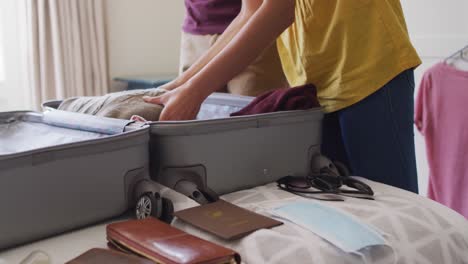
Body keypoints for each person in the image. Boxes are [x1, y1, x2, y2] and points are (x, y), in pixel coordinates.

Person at [145, 0, 421, 193]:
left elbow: (279, 10)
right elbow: (250, 13)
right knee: (345, 205)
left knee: (393, 206)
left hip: (369, 68)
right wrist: (180, 85)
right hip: (315, 79)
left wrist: (195, 92)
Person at [177, 0, 287, 96]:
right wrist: (183, 83)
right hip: (195, 30)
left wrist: (187, 84)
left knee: (250, 114)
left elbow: (259, 9)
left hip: (253, 32)